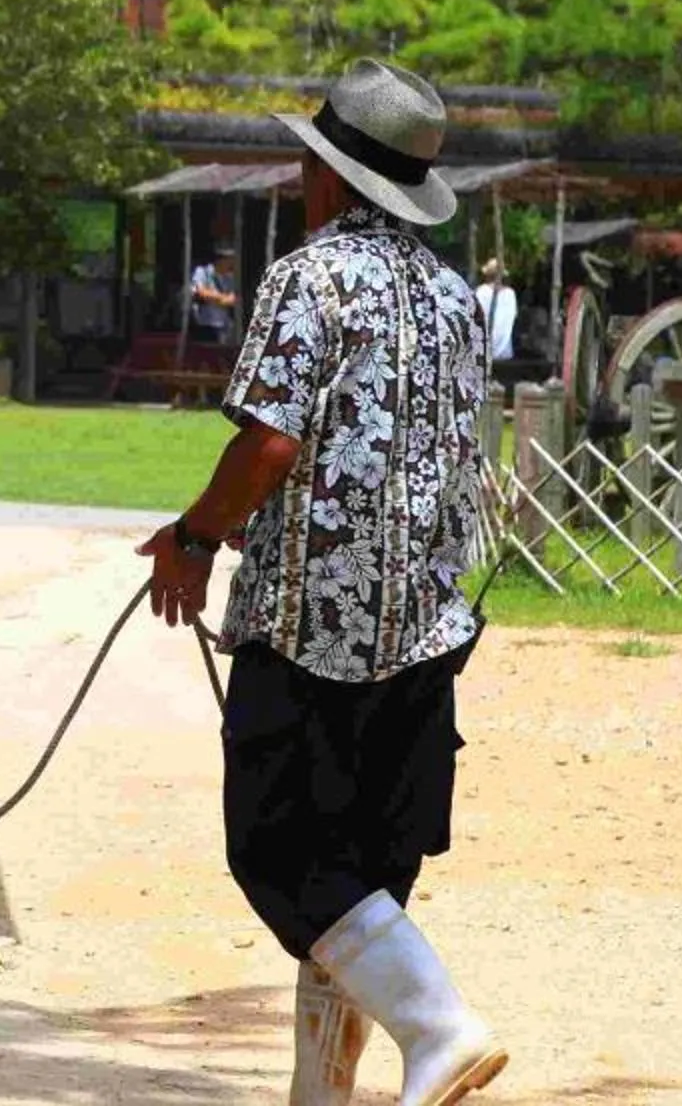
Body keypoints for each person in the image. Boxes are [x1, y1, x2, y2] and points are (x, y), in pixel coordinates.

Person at [137, 59, 506, 1106]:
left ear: (331, 175)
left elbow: (269, 444)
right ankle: (323, 1095)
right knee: (364, 886)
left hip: (309, 631)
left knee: (279, 854)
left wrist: (193, 539)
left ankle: (438, 1028)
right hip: (425, 639)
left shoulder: (311, 278)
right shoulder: (454, 298)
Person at [188, 242, 242, 355]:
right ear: (222, 260)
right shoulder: (202, 272)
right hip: (205, 324)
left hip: (225, 326)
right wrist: (222, 298)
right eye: (230, 259)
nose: (232, 263)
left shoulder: (230, 277)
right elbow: (201, 292)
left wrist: (214, 297)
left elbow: (233, 299)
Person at [474, 255, 518, 373]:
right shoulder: (510, 294)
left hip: (484, 349)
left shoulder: (481, 291)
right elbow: (513, 316)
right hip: (505, 351)